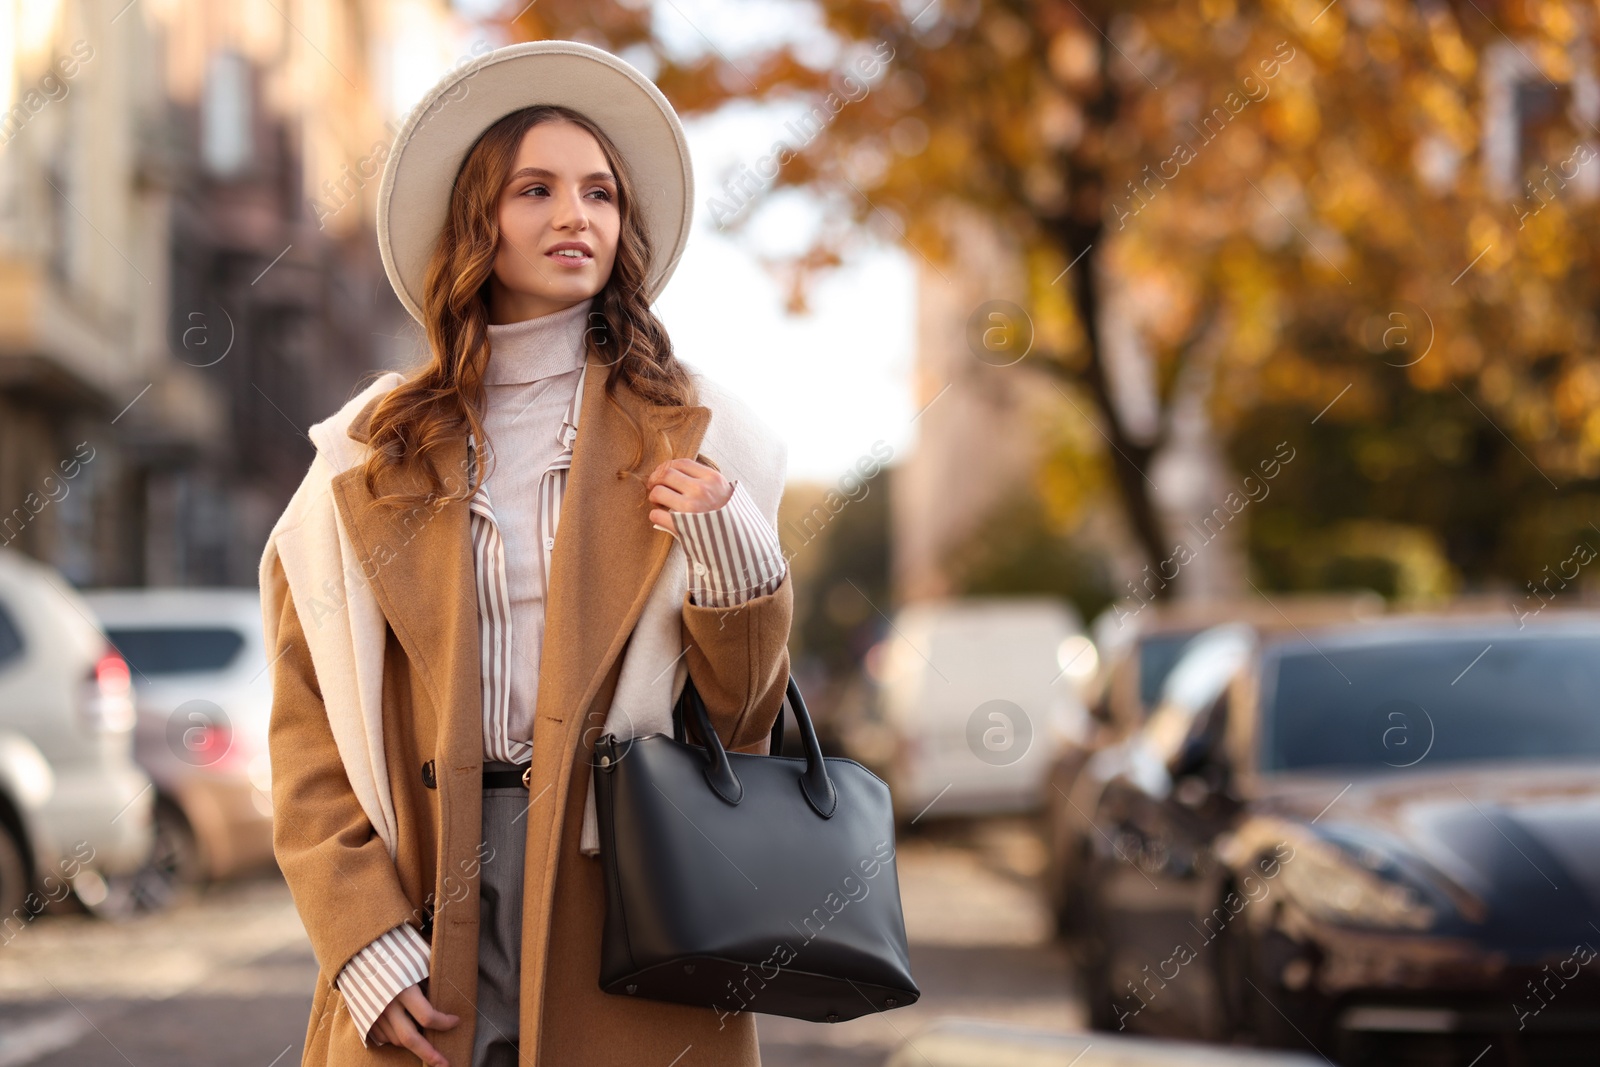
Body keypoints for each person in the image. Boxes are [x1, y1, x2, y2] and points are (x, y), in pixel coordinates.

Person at [259, 41, 793, 1067]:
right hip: (418, 886)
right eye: (534, 189)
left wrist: (733, 558)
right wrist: (359, 934)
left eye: (598, 191)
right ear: (478, 222)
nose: (573, 215)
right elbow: (303, 726)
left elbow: (740, 721)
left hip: (623, 897)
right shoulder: (364, 452)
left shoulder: (706, 437)